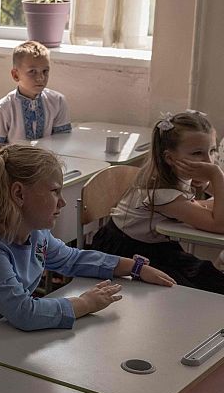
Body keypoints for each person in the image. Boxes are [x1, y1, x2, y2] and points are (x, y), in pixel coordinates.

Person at [0, 145, 176, 350]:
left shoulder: (36, 235)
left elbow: (71, 259)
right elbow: (24, 313)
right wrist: (85, 303)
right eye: (54, 191)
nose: (63, 201)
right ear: (19, 194)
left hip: (4, 335)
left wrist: (131, 266)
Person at [92, 110, 224, 293]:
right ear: (170, 158)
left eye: (212, 151)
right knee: (193, 293)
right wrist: (216, 175)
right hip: (128, 253)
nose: (209, 161)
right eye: (197, 153)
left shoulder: (179, 177)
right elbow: (219, 224)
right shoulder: (161, 193)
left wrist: (208, 183)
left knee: (212, 278)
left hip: (159, 249)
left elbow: (212, 208)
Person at [0, 41, 71, 150]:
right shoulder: (2, 108)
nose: (40, 78)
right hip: (14, 164)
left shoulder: (58, 101)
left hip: (49, 163)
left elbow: (62, 142)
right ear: (16, 75)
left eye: (45, 71)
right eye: (32, 71)